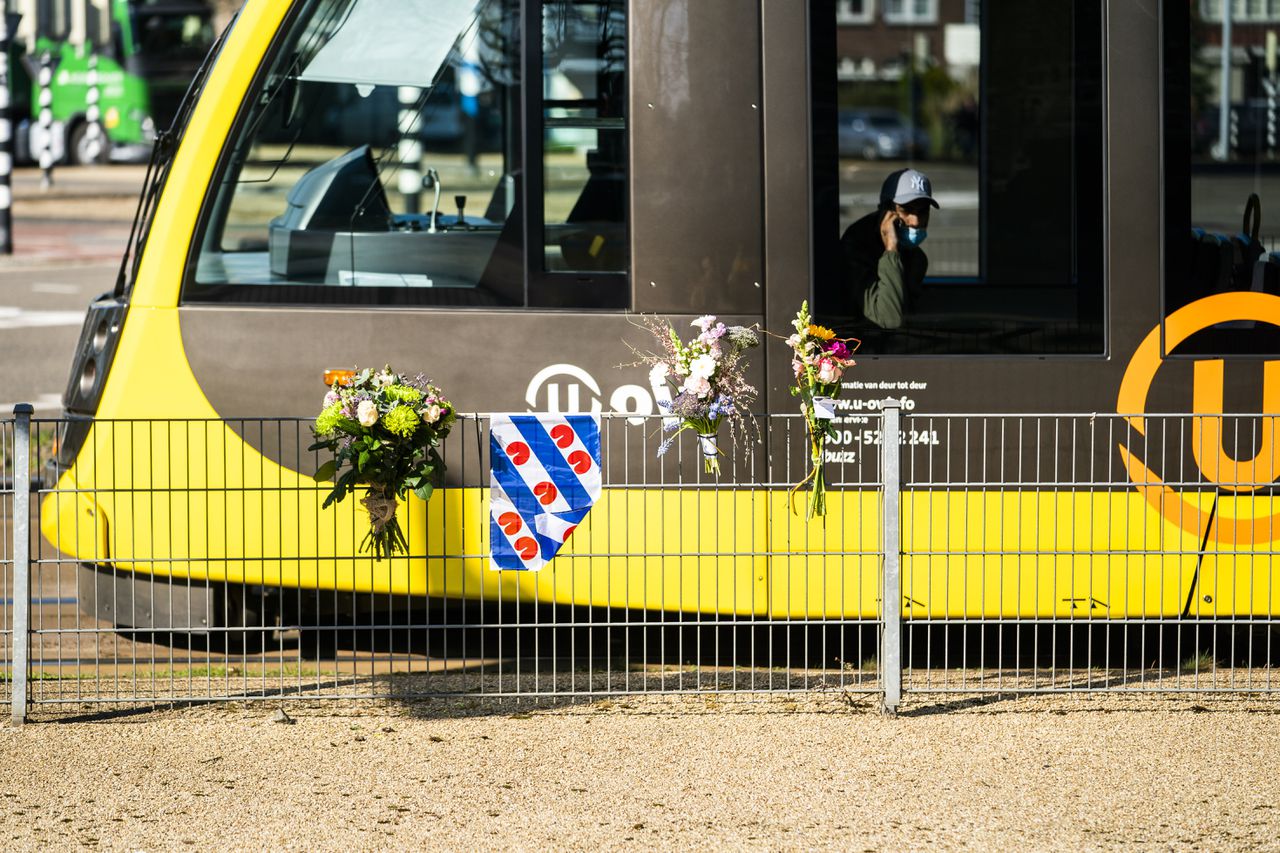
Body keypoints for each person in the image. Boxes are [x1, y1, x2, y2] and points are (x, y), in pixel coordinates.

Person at [840, 167, 939, 329]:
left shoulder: (916, 258)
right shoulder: (856, 247)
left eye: (923, 212)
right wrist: (891, 249)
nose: (915, 221)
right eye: (906, 210)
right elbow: (890, 319)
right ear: (887, 212)